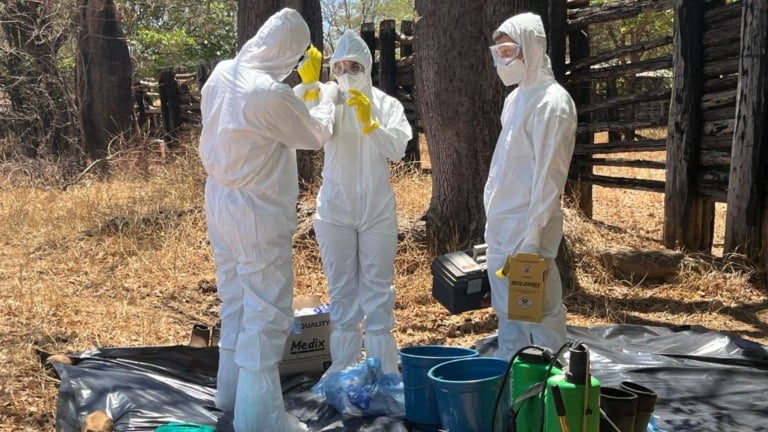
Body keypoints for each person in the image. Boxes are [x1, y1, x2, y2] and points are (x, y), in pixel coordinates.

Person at [198, 8, 339, 431]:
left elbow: (255, 120)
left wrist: (300, 91)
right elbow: (313, 134)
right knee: (267, 314)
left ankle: (230, 394)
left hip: (220, 200)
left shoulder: (223, 73)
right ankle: (260, 419)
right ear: (290, 53)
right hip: (255, 210)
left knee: (236, 300)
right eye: (297, 57)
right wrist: (322, 95)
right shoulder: (268, 94)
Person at [294, 30, 412, 376]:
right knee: (342, 291)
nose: (347, 73)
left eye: (354, 66)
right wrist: (310, 89)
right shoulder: (330, 96)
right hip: (335, 211)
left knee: (377, 291)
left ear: (368, 66)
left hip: (377, 211)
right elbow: (312, 135)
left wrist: (370, 123)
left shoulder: (386, 104)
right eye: (340, 66)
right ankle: (344, 373)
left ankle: (383, 373)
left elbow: (397, 149)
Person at [484, 12, 577, 361]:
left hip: (527, 229)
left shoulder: (553, 103)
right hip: (502, 226)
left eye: (508, 50)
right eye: (498, 52)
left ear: (531, 49)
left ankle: (553, 396)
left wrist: (533, 235)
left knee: (542, 315)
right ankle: (515, 395)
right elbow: (506, 167)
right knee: (508, 317)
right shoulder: (515, 99)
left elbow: (549, 175)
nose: (502, 59)